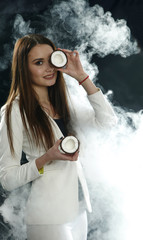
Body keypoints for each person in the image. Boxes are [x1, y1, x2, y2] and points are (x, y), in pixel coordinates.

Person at [0, 34, 117, 240]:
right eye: (38, 63)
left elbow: (108, 123)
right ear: (23, 69)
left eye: (51, 59)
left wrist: (82, 77)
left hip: (79, 210)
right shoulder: (14, 111)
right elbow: (7, 179)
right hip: (49, 217)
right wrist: (47, 157)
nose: (49, 68)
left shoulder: (64, 102)